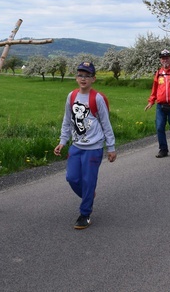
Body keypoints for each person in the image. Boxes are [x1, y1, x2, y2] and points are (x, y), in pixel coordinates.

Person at [54, 62, 116, 230]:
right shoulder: (72, 96)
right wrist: (62, 141)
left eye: (87, 76)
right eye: (80, 75)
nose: (83, 79)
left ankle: (85, 213)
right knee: (72, 178)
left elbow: (106, 123)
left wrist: (111, 147)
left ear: (93, 79)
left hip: (94, 148)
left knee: (88, 181)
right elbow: (67, 121)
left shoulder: (97, 98)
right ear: (76, 77)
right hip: (76, 146)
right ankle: (88, 196)